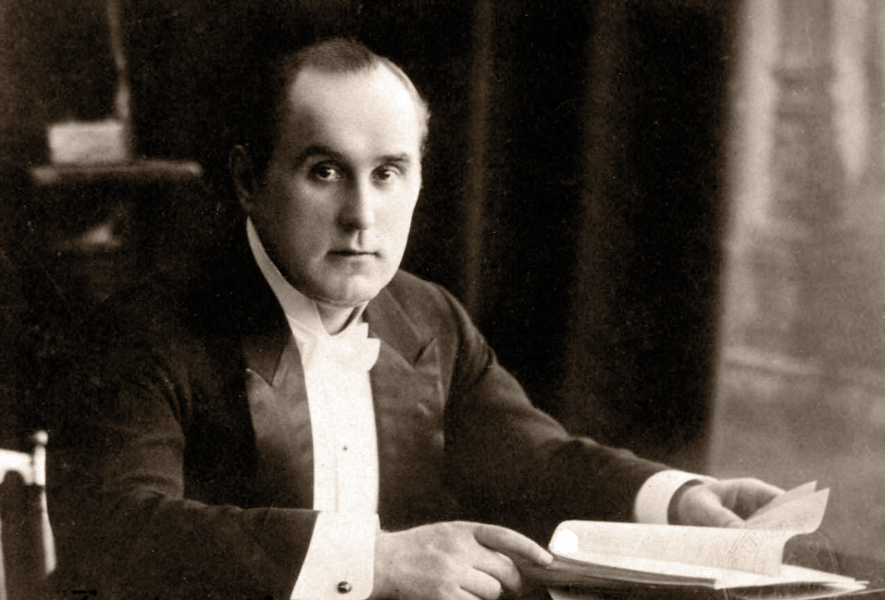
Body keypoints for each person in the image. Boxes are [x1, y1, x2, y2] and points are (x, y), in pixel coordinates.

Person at [46, 37, 784, 600]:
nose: (362, 216)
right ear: (248, 180)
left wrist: (681, 498)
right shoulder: (141, 333)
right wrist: (374, 561)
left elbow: (536, 461)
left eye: (388, 173)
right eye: (325, 171)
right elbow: (119, 531)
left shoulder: (427, 318)